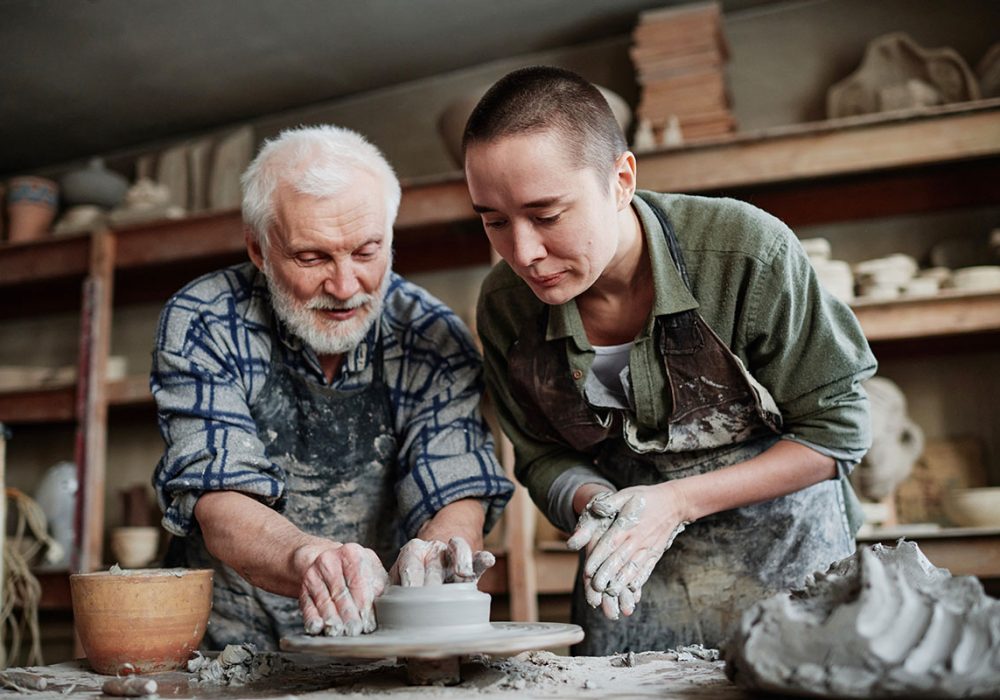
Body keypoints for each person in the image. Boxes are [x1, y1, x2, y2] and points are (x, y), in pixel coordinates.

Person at [465, 66, 877, 655]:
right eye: (494, 221)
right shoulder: (506, 307)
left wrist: (677, 504)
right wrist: (602, 504)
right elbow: (541, 456)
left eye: (548, 215)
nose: (524, 252)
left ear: (621, 179)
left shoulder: (745, 254)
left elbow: (838, 432)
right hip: (630, 571)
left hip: (783, 553)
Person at [151, 125, 513, 650]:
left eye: (367, 253)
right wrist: (312, 561)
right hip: (225, 637)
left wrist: (440, 553)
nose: (345, 287)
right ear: (260, 249)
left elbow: (454, 485)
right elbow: (218, 501)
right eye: (313, 258)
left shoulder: (430, 337)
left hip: (377, 631)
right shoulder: (204, 320)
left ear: (390, 237)